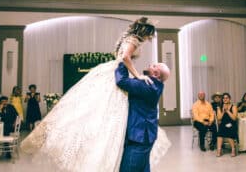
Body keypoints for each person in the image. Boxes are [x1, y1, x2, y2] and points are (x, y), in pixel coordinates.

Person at [20, 17, 171, 172]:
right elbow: (125, 59)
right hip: (120, 73)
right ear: (144, 32)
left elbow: (122, 58)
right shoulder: (134, 42)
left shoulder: (129, 41)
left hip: (117, 72)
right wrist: (137, 75)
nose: (148, 39)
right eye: (149, 36)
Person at [116, 62, 170, 172]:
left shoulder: (147, 85)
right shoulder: (156, 85)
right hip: (143, 135)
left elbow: (121, 81)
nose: (151, 64)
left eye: (154, 66)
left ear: (156, 74)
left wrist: (123, 62)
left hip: (139, 137)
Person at [216, 93, 238, 157]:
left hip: (232, 124)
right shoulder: (219, 107)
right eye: (224, 98)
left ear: (229, 99)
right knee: (220, 133)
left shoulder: (234, 107)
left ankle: (233, 149)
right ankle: (219, 150)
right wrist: (223, 111)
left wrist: (227, 110)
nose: (225, 99)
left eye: (226, 98)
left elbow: (234, 118)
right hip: (223, 124)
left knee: (228, 131)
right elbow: (219, 118)